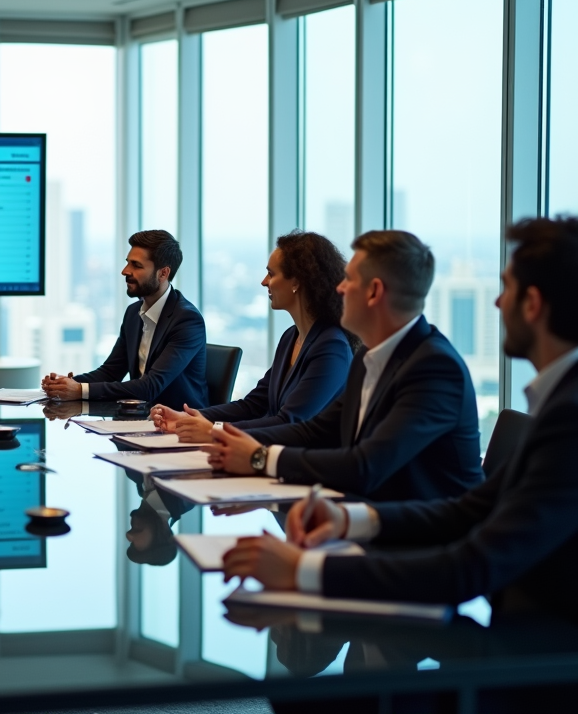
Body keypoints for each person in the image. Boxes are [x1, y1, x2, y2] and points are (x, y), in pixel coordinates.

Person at [221, 217, 578, 623]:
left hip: (530, 658)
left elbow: (469, 564)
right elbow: (467, 510)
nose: (497, 303)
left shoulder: (559, 413)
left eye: (507, 288)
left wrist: (302, 570)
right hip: (467, 601)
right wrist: (349, 519)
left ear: (532, 304)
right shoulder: (369, 357)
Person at [201, 230, 483, 502]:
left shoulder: (434, 368)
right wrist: (228, 438)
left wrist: (258, 457)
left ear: (374, 292)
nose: (339, 287)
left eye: (349, 279)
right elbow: (313, 430)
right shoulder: (369, 357)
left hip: (426, 539)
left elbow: (366, 466)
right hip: (372, 521)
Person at [152, 231, 356, 442]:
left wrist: (214, 431)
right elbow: (254, 405)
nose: (264, 282)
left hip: (305, 468)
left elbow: (289, 421)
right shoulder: (290, 338)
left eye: (271, 274)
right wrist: (188, 419)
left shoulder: (332, 347)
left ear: (297, 281)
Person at [41, 230, 208, 410]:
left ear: (163, 273)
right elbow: (111, 372)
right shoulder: (133, 313)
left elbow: (150, 387)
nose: (125, 271)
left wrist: (80, 390)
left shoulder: (187, 320)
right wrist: (65, 384)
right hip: (139, 419)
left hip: (179, 426)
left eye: (136, 265)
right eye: (127, 262)